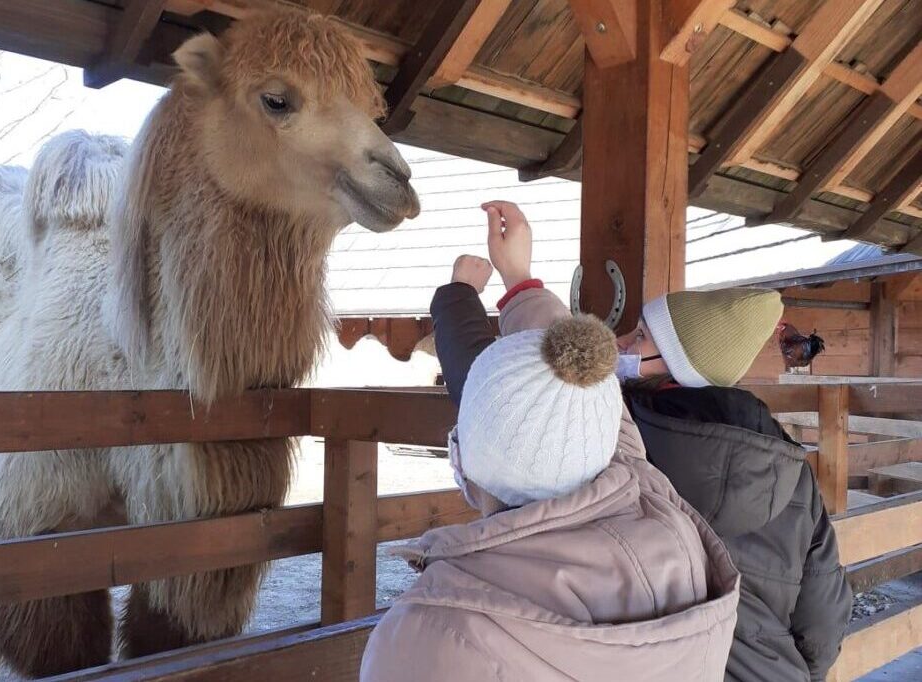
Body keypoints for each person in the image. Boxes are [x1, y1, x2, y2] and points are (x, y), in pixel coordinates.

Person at [427, 200, 852, 682]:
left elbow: (505, 405)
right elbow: (824, 622)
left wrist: (471, 294)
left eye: (642, 338)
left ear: (678, 366)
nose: (621, 341)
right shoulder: (790, 466)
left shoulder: (623, 436)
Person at [359, 270, 740, 681]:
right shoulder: (670, 527)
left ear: (468, 461)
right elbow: (575, 384)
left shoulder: (426, 636)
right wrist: (520, 283)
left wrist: (475, 291)